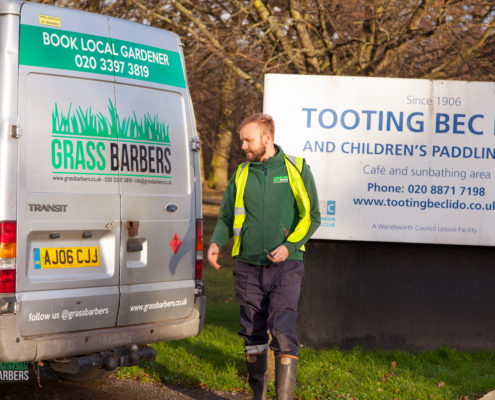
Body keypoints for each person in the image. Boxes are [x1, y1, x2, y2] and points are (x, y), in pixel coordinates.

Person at [207, 113, 321, 400]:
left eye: (248, 139)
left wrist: (290, 247)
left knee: (282, 333)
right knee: (252, 336)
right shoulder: (242, 173)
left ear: (266, 138)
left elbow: (312, 217)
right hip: (248, 269)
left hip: (285, 266)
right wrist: (216, 243)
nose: (243, 145)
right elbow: (224, 217)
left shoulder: (296, 168)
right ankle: (257, 395)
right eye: (242, 139)